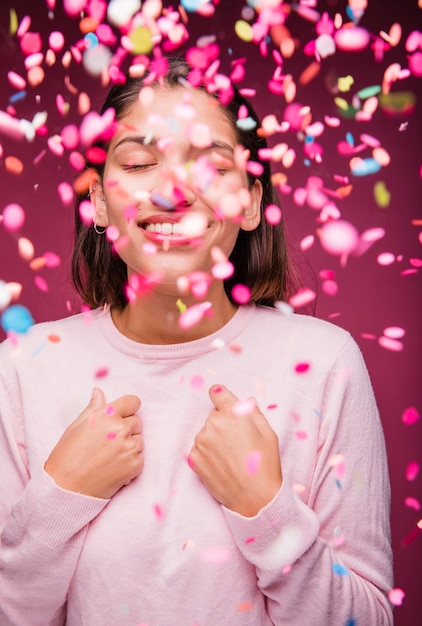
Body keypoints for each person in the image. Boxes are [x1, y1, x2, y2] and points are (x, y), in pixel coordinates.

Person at [0, 57, 393, 625]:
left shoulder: (326, 362)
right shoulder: (22, 367)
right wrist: (62, 494)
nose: (174, 191)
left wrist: (266, 511)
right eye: (139, 162)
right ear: (100, 202)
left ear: (252, 202)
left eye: (210, 165)